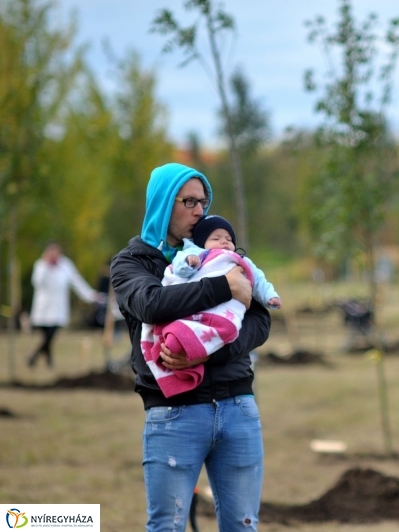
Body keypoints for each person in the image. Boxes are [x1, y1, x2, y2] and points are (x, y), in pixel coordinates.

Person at [110, 162, 271, 531]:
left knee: (243, 525)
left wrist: (209, 350)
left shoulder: (222, 255)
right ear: (164, 204)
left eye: (204, 201)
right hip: (174, 414)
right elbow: (151, 303)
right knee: (167, 526)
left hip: (238, 406)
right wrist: (223, 287)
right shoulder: (133, 263)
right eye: (189, 201)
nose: (200, 210)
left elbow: (260, 318)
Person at [141, 214, 281, 398]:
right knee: (175, 336)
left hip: (225, 312)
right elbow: (178, 268)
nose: (224, 242)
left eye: (229, 239)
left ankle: (194, 347)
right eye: (216, 238)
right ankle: (179, 346)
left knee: (226, 327)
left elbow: (259, 279)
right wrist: (189, 263)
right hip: (195, 312)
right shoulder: (196, 254)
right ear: (201, 242)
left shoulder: (239, 260)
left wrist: (270, 296)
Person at [27, 242, 102, 368]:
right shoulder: (40, 265)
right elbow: (37, 282)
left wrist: (91, 296)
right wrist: (46, 265)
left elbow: (77, 282)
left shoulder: (65, 265)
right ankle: (47, 362)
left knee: (50, 335)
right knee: (47, 337)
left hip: (58, 308)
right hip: (43, 308)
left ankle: (35, 358)